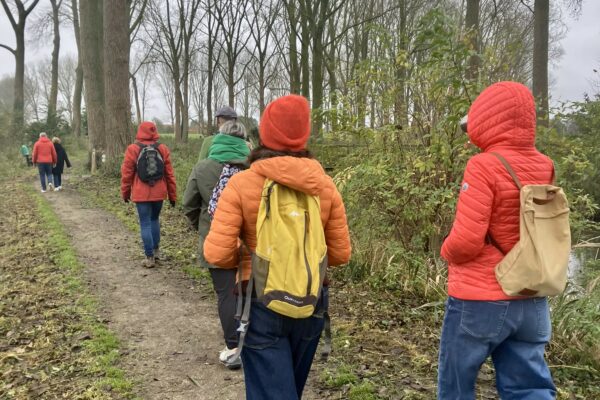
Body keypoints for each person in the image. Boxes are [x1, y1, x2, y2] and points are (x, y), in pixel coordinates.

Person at [204, 94, 351, 400]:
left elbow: (216, 254)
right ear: (304, 136)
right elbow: (339, 254)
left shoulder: (242, 184)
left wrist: (246, 257)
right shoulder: (324, 186)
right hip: (310, 301)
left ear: (264, 135)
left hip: (259, 299)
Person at [438, 81, 557, 399]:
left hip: (480, 299)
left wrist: (445, 250)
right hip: (532, 295)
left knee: (456, 385)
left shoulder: (483, 166)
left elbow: (465, 242)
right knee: (530, 388)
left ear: (487, 119)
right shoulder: (546, 166)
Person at [183, 120, 250, 370]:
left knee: (225, 293)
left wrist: (201, 229)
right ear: (244, 140)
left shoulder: (203, 167)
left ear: (218, 139)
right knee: (250, 291)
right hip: (250, 241)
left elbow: (189, 204)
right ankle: (253, 344)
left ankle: (233, 348)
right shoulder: (254, 167)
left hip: (215, 239)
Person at [121, 121, 177, 268]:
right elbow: (170, 175)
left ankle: (149, 257)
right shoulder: (163, 149)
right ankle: (157, 251)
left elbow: (127, 174)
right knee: (154, 220)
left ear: (140, 132)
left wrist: (125, 192)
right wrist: (172, 196)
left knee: (145, 222)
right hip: (159, 193)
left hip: (141, 194)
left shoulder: (133, 149)